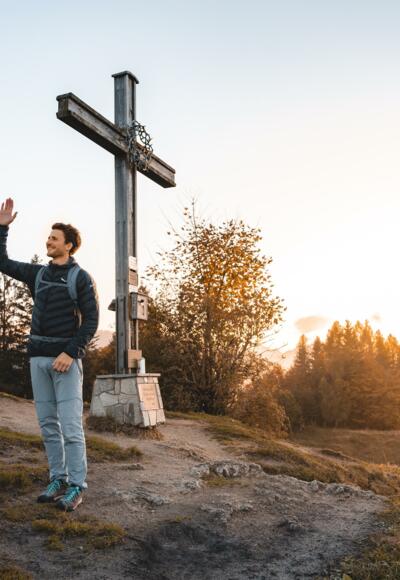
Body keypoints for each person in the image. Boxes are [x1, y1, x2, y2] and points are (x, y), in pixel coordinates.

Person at [0, 197, 99, 511]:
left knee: (71, 428)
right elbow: (3, 263)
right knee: (48, 426)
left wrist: (70, 353)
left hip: (65, 363)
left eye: (54, 238)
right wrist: (2, 229)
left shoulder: (80, 278)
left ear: (68, 245)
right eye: (48, 237)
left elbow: (92, 321)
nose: (48, 241)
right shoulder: (38, 274)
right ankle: (58, 478)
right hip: (38, 359)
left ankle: (77, 487)